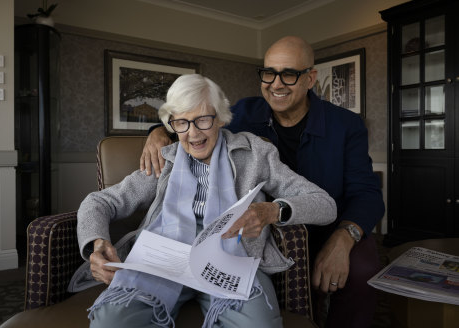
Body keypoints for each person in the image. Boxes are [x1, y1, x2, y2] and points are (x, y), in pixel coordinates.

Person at [140, 36, 385, 328]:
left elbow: (367, 194)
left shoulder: (346, 125)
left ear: (310, 78)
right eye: (269, 73)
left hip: (332, 223)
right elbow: (198, 123)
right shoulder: (246, 112)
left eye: (289, 74)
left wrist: (344, 239)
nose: (276, 84)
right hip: (270, 229)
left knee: (362, 270)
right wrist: (158, 131)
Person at [77, 74, 337, 328]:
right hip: (163, 258)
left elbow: (324, 204)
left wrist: (272, 210)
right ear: (173, 124)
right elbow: (98, 202)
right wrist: (96, 242)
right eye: (182, 123)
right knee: (111, 321)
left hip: (231, 256)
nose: (193, 134)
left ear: (221, 117)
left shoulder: (255, 153)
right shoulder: (163, 160)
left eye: (203, 120)